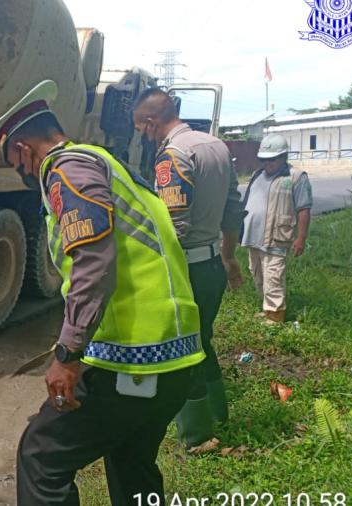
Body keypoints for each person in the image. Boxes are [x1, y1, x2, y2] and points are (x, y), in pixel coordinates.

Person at [0, 80, 204, 505]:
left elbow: (94, 265)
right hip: (175, 358)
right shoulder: (106, 163)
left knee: (42, 457)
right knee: (131, 464)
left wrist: (68, 354)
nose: (17, 171)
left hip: (134, 360)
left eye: (11, 159)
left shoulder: (66, 169)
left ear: (23, 149)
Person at [132, 88, 245, 448]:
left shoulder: (173, 155)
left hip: (188, 270)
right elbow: (232, 209)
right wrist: (228, 258)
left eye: (141, 128)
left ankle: (197, 436)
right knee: (204, 341)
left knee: (185, 350)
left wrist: (149, 273)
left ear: (151, 123)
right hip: (212, 263)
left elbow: (173, 226)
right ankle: (217, 411)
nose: (142, 136)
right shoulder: (216, 146)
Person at [241, 134, 313, 325]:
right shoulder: (257, 175)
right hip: (253, 237)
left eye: (272, 159)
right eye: (264, 159)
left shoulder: (295, 177)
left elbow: (304, 209)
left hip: (276, 236)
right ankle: (267, 309)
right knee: (257, 272)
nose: (268, 164)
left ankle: (276, 315)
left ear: (283, 157)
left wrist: (301, 238)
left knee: (273, 274)